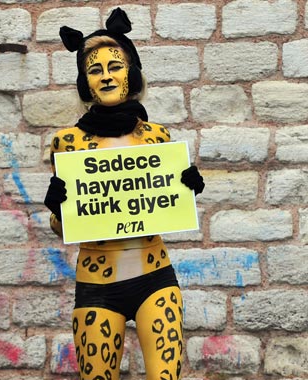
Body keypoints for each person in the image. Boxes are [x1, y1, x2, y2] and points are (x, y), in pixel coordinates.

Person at [43, 8, 204, 380]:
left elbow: (169, 206)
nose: (106, 76)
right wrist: (58, 209)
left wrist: (187, 189)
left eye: (114, 66)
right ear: (85, 82)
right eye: (95, 70)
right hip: (97, 287)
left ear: (131, 73)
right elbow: (62, 228)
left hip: (156, 277)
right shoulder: (68, 142)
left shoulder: (157, 138)